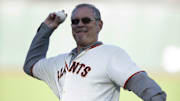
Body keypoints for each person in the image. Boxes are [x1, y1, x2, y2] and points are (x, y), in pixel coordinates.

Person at [23, 3, 166, 101]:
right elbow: (31, 64)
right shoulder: (59, 62)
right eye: (75, 21)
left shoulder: (111, 54)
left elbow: (149, 89)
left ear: (99, 25)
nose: (80, 24)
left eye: (86, 20)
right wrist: (47, 28)